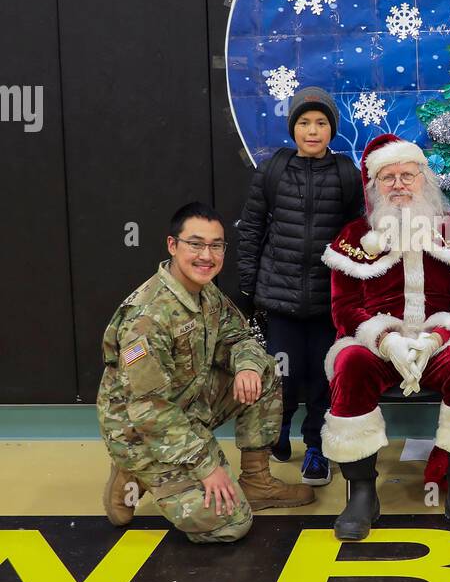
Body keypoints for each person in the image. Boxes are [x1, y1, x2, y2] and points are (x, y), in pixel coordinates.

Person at [97, 203, 312, 544]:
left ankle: (256, 483)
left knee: (264, 371)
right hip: (142, 432)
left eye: (216, 245)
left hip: (187, 406)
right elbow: (149, 411)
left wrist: (246, 366)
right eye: (195, 244)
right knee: (230, 522)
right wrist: (206, 467)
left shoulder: (204, 291)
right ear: (172, 245)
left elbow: (240, 337)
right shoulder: (148, 318)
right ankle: (134, 471)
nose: (206, 255)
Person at [320, 133, 450, 542]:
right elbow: (345, 309)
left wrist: (434, 338)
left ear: (424, 180)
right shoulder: (352, 237)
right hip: (378, 344)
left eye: (407, 175)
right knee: (349, 363)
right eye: (387, 177)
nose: (399, 184)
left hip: (440, 344)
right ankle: (362, 492)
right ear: (373, 187)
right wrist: (386, 340)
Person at [236, 86, 364, 487]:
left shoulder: (346, 173)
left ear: (332, 130)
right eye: (305, 122)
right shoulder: (273, 169)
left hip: (330, 303)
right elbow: (252, 228)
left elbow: (359, 235)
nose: (313, 130)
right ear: (293, 128)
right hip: (280, 300)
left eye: (321, 123)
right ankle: (279, 428)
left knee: (325, 379)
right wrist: (249, 286)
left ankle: (316, 448)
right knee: (282, 378)